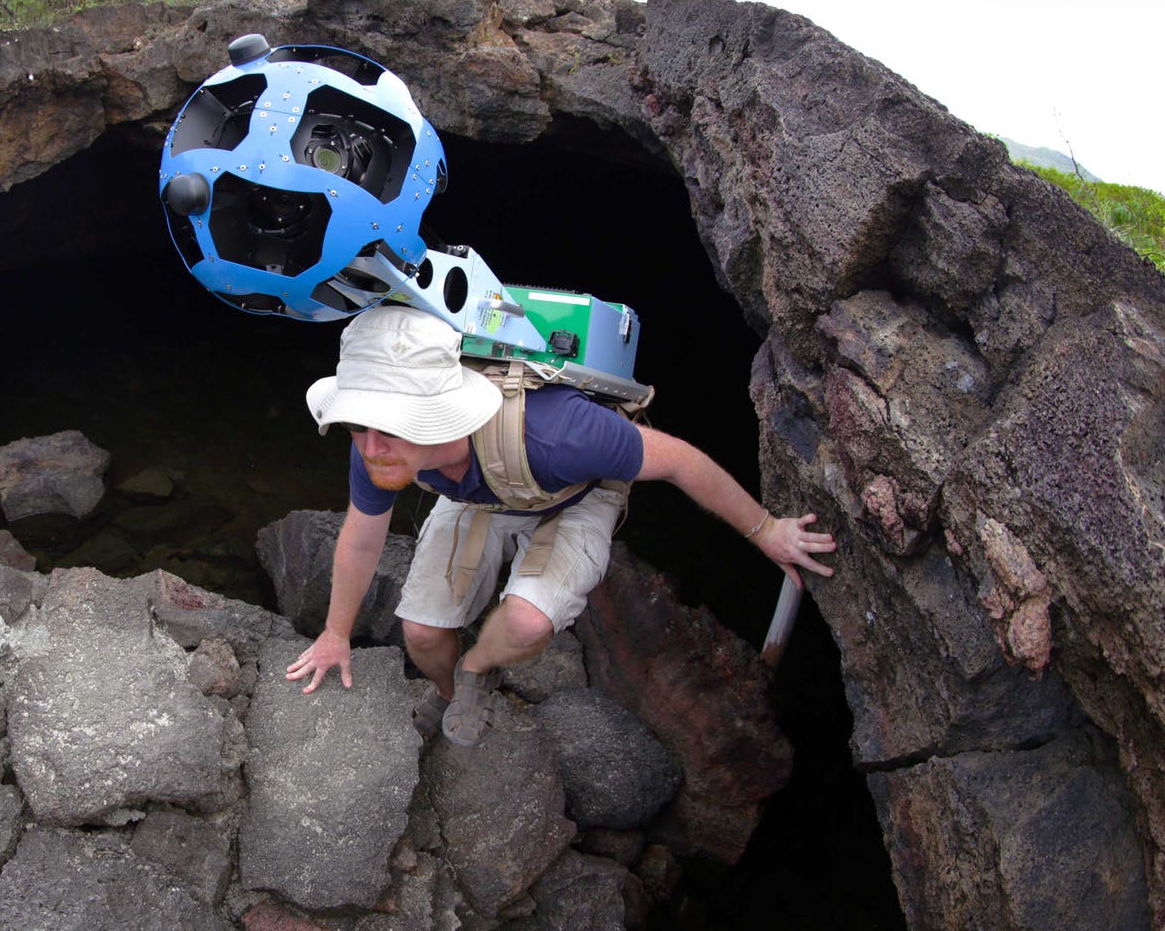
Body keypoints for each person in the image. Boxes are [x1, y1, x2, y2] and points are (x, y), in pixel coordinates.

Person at [284, 305, 837, 746]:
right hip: (478, 496)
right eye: (357, 425)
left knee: (525, 624)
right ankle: (455, 694)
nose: (369, 446)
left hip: (571, 496)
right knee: (423, 633)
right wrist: (335, 634)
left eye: (387, 428)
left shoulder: (560, 432)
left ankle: (478, 668)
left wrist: (765, 531)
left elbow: (680, 462)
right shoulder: (377, 447)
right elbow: (361, 537)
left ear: (434, 413)